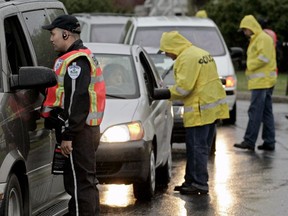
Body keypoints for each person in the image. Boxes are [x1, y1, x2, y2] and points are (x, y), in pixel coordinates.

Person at [41, 14, 106, 215]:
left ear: (66, 33)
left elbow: (77, 100)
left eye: (53, 34)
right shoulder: (79, 56)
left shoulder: (76, 60)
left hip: (79, 132)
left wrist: (68, 135)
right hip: (83, 130)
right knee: (85, 182)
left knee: (79, 185)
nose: (51, 39)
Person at [159, 31, 229, 194]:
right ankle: (191, 180)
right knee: (197, 146)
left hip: (199, 110)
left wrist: (165, 92)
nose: (167, 55)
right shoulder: (200, 53)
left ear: (172, 47)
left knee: (197, 147)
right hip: (211, 108)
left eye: (166, 51)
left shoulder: (186, 58)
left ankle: (199, 183)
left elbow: (184, 88)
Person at [234, 15, 277, 151]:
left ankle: (249, 141)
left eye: (245, 30)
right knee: (266, 112)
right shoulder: (259, 38)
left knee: (255, 111)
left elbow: (263, 58)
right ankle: (269, 142)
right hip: (264, 81)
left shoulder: (261, 39)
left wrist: (249, 65)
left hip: (261, 82)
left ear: (251, 27)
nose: (245, 33)